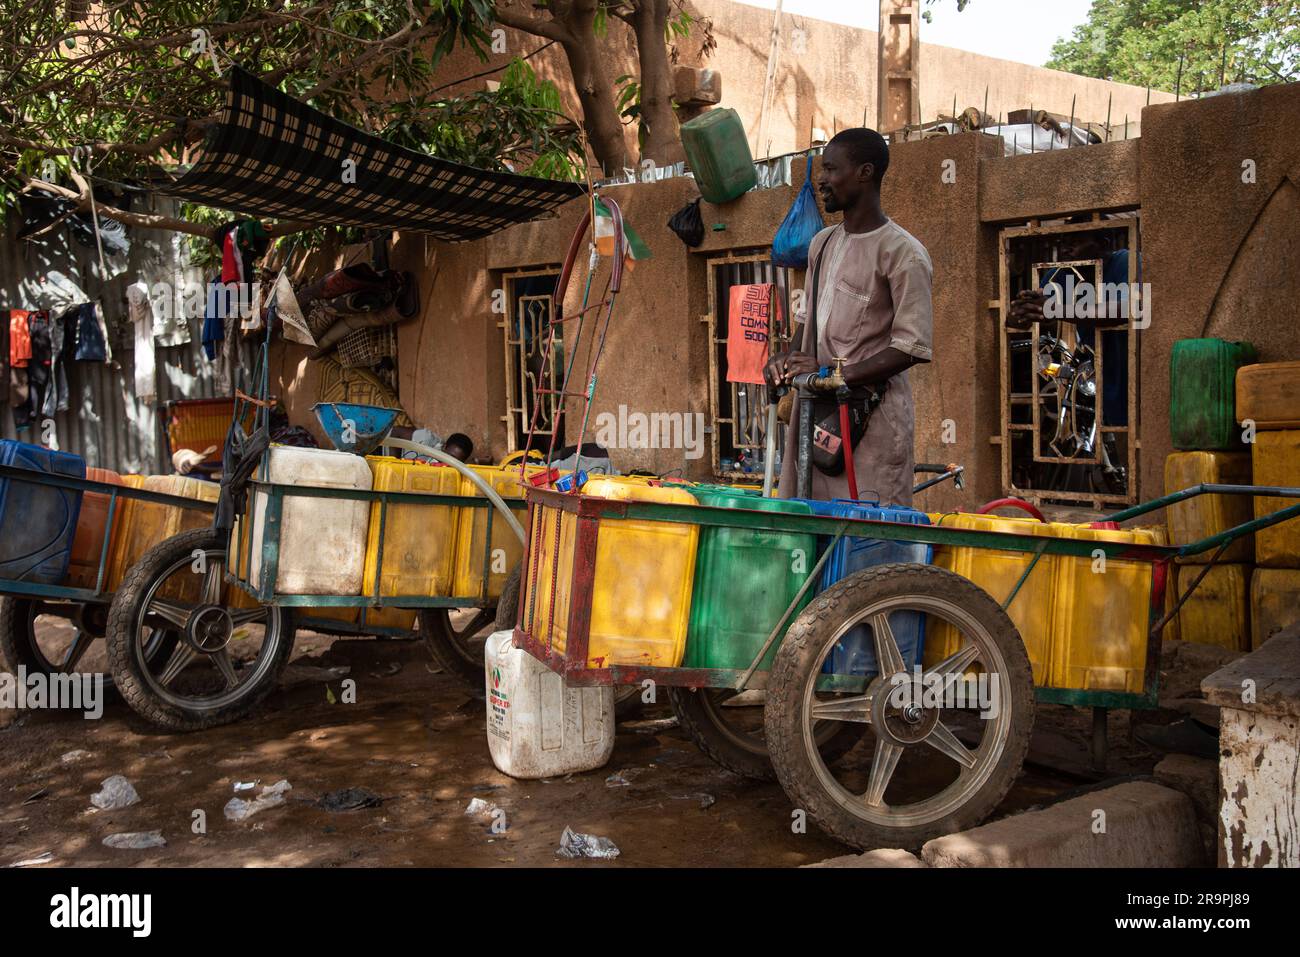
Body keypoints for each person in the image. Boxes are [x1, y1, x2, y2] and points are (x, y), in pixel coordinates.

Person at [766, 128, 933, 507]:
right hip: (816, 415)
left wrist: (830, 374)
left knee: (863, 540)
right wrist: (787, 362)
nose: (821, 180)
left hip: (869, 422)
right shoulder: (822, 244)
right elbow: (807, 322)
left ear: (865, 172)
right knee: (806, 529)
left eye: (830, 169)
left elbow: (913, 347)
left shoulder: (903, 252)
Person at [1007, 224, 1133, 427]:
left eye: (1074, 243)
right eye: (1062, 243)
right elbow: (1017, 319)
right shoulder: (1064, 274)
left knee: (1135, 436)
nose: (1065, 249)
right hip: (1097, 368)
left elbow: (1127, 309)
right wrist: (1023, 308)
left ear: (1103, 244)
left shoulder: (1126, 262)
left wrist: (1055, 309)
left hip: (1131, 364)